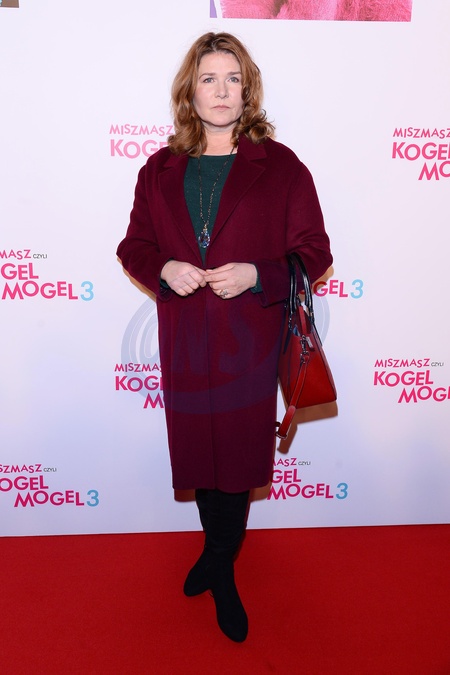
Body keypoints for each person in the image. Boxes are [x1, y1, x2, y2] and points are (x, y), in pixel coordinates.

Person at [116, 31, 332, 642]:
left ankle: (220, 565)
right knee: (200, 458)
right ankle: (217, 557)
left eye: (232, 79)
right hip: (185, 339)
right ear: (190, 91)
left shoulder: (282, 167)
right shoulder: (158, 169)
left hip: (249, 342)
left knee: (236, 461)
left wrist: (258, 275)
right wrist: (164, 267)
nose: (220, 91)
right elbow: (133, 245)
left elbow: (315, 252)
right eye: (208, 78)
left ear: (247, 90)